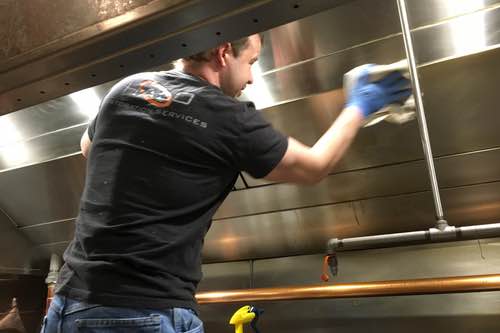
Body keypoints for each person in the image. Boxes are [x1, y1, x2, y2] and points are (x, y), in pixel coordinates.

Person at [42, 33, 411, 332]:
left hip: (67, 307)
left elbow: (88, 147)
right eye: (250, 61)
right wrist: (360, 104)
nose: (251, 78)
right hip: (145, 310)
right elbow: (313, 166)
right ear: (223, 53)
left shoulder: (126, 88)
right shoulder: (226, 116)